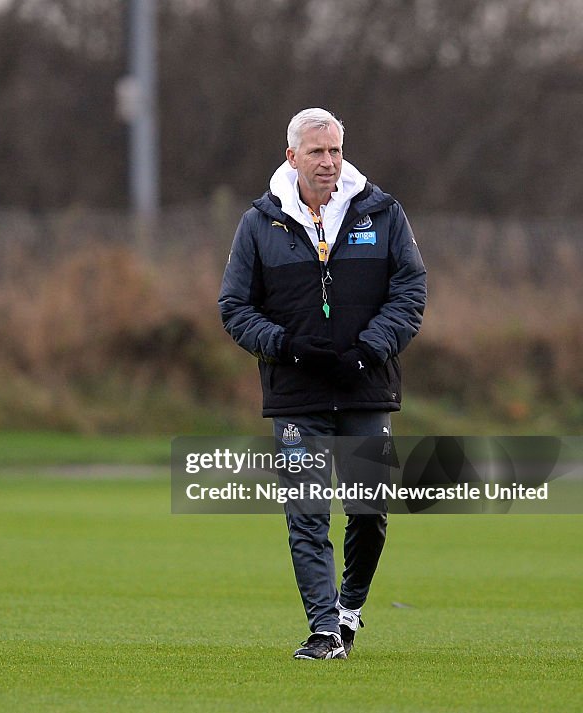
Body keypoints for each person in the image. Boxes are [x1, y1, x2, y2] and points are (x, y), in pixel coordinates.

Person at [218, 108, 427, 660]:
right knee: (306, 516)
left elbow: (410, 292)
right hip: (296, 393)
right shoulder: (259, 224)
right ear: (293, 157)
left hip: (366, 387)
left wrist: (367, 350)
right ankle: (323, 629)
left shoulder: (384, 213)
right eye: (317, 152)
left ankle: (349, 607)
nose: (329, 162)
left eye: (335, 150)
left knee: (369, 512)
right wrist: (284, 345)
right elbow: (235, 307)